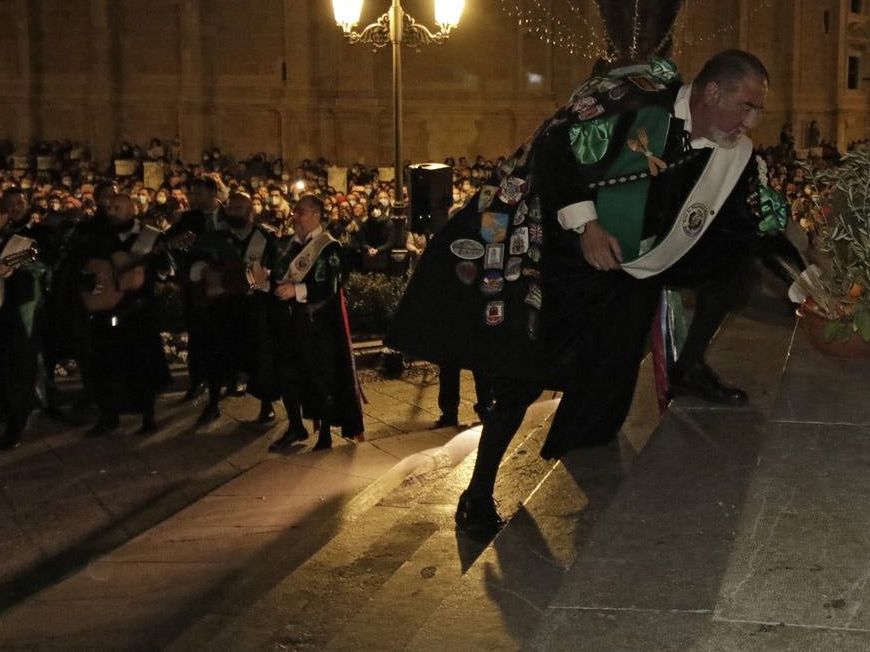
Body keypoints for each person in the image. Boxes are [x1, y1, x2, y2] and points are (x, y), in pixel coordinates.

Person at [388, 49, 800, 533]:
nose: (751, 122)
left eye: (758, 112)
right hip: (557, 255)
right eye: (746, 107)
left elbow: (758, 222)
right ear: (712, 93)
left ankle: (680, 373)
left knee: (725, 269)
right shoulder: (634, 99)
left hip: (628, 269)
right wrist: (586, 225)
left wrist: (811, 278)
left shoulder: (734, 153)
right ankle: (476, 495)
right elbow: (554, 144)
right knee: (520, 377)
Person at [251, 195, 364, 452]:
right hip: (285, 322)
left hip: (316, 325)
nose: (296, 216)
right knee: (288, 375)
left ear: (316, 214)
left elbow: (333, 285)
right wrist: (262, 283)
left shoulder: (329, 247)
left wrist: (298, 290)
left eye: (301, 212)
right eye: (295, 211)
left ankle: (324, 432)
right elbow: (273, 278)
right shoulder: (283, 245)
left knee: (318, 377)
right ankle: (295, 426)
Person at [80, 194, 172, 436]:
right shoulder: (98, 235)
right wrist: (92, 280)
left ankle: (148, 417)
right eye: (109, 206)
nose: (111, 210)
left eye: (117, 207)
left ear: (134, 209)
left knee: (142, 364)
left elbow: (166, 272)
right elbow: (83, 265)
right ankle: (109, 416)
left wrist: (159, 262)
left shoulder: (150, 237)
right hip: (107, 307)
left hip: (139, 310)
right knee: (105, 364)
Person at [208, 191, 280, 424]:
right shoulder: (218, 238)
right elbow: (208, 266)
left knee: (260, 354)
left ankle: (266, 404)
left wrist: (253, 280)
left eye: (239, 209)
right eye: (230, 208)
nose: (233, 213)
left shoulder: (265, 237)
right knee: (219, 351)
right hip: (224, 304)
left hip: (254, 304)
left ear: (251, 212)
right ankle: (213, 401)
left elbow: (274, 268)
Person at [168, 176, 228, 416]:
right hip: (196, 288)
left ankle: (228, 380)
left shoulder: (229, 215)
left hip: (225, 288)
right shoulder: (189, 218)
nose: (194, 198)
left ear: (213, 192)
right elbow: (169, 241)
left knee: (224, 336)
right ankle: (197, 381)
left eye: (199, 193)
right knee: (197, 335)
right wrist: (176, 244)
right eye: (192, 194)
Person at [0, 195, 46, 449]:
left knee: (14, 372)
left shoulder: (21, 243)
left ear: (4, 217)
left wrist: (13, 272)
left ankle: (16, 423)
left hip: (13, 317)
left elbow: (39, 269)